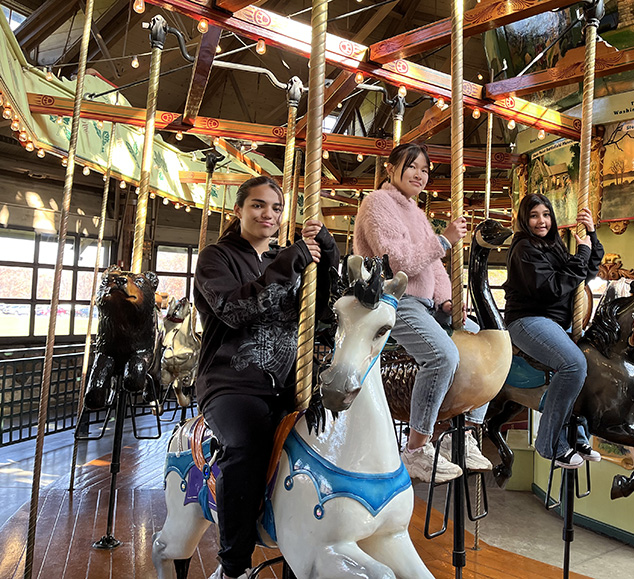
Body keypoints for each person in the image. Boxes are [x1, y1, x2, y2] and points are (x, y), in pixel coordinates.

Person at [193, 176, 339, 579]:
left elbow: (322, 310)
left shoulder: (290, 259)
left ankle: (302, 550)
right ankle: (233, 565)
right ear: (238, 210)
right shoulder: (215, 258)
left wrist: (327, 254)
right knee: (246, 443)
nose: (268, 215)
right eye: (258, 205)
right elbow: (235, 310)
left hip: (288, 382)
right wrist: (289, 261)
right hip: (231, 382)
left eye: (276, 208)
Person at [353, 143, 492, 484]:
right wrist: (443, 240)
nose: (419, 174)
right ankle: (416, 448)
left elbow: (436, 269)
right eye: (411, 166)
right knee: (442, 356)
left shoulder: (417, 212)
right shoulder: (376, 205)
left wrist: (447, 300)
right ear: (390, 168)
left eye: (425, 170)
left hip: (426, 305)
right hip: (394, 299)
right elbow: (396, 261)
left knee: (486, 344)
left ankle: (467, 432)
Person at [503, 194, 604, 469]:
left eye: (546, 215)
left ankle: (577, 432)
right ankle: (550, 443)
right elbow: (551, 289)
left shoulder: (553, 246)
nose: (541, 221)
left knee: (593, 360)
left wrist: (591, 236)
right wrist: (581, 253)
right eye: (535, 215)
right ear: (525, 219)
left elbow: (586, 272)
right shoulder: (524, 248)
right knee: (573, 364)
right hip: (529, 319)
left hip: (556, 322)